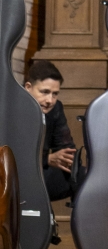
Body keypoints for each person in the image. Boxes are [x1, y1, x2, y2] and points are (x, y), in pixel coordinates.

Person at [24, 60, 76, 202]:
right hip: (13, 175)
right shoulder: (10, 107)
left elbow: (66, 146)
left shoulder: (55, 108)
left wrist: (68, 159)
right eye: (45, 92)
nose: (50, 100)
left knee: (84, 176)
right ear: (28, 88)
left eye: (55, 94)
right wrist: (47, 159)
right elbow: (11, 156)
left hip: (41, 171)